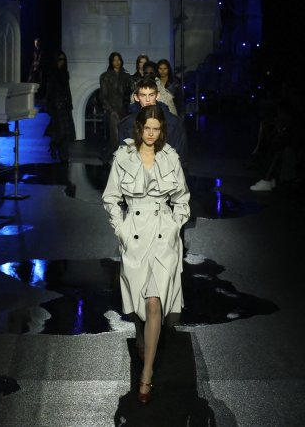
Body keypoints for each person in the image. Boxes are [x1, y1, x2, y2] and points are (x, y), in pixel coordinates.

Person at [102, 104, 190, 404]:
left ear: (161, 130)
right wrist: (122, 230)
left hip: (164, 235)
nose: (151, 133)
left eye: (156, 129)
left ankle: (146, 374)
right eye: (147, 128)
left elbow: (182, 199)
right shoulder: (123, 158)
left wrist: (175, 226)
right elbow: (111, 198)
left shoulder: (170, 158)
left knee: (154, 303)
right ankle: (140, 337)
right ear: (139, 128)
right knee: (140, 300)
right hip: (136, 234)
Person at [118, 76, 187, 156]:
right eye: (143, 95)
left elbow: (180, 156)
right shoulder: (126, 124)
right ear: (136, 97)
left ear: (157, 96)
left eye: (151, 95)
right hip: (137, 167)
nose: (148, 100)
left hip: (166, 167)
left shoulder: (174, 123)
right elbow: (123, 157)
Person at [43, 51, 75, 161]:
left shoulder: (64, 73)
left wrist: (69, 102)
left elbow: (67, 89)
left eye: (63, 59)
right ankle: (54, 146)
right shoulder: (52, 73)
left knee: (65, 131)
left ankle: (63, 155)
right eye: (60, 59)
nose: (62, 61)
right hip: (56, 105)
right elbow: (49, 91)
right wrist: (49, 106)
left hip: (64, 105)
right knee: (60, 131)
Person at [99, 52, 133, 147]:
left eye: (118, 59)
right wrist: (110, 110)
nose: (117, 62)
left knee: (125, 136)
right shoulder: (105, 76)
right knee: (115, 137)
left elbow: (130, 92)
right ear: (111, 62)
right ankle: (114, 157)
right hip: (113, 110)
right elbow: (103, 96)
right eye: (114, 60)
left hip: (125, 110)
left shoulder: (126, 76)